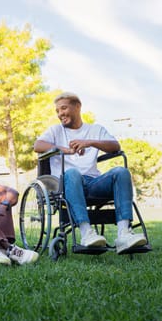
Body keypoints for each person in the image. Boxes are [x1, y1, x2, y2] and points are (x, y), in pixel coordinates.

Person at [33, 92, 147, 254]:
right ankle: (87, 233)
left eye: (64, 108)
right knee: (72, 173)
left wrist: (89, 142)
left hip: (93, 183)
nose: (60, 114)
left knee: (121, 172)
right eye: (57, 111)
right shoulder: (55, 131)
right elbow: (37, 145)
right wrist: (64, 150)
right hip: (67, 183)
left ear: (77, 107)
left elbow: (116, 147)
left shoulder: (95, 129)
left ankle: (124, 234)